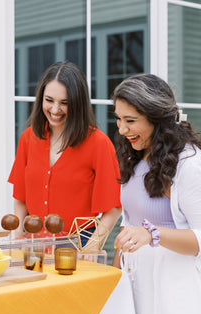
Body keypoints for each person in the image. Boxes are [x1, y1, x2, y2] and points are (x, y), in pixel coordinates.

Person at [112, 74, 201, 314]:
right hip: (137, 284)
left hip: (177, 292)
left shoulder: (190, 164)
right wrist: (116, 279)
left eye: (130, 120)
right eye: (118, 119)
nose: (122, 129)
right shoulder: (136, 156)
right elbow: (129, 225)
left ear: (156, 118)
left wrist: (152, 233)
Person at [8, 61, 122, 247]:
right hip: (33, 245)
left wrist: (92, 244)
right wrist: (18, 239)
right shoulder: (28, 138)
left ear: (78, 104)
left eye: (64, 103)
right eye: (49, 100)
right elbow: (20, 199)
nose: (54, 110)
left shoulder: (99, 143)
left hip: (78, 244)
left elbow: (114, 208)